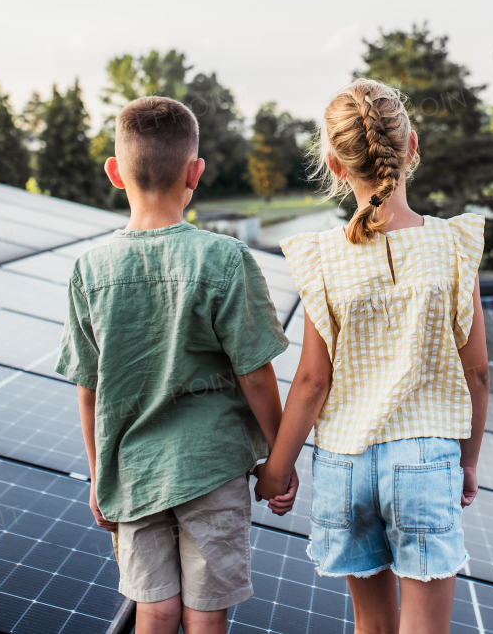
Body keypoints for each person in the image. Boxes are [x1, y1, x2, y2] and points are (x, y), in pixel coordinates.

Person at [254, 79, 490, 634]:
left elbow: (312, 381)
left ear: (334, 164)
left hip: (343, 464)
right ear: (411, 147)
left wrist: (277, 469)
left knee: (373, 628)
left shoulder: (322, 257)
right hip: (426, 457)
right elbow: (476, 372)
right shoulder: (453, 245)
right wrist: (470, 458)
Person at [58, 96, 297, 634]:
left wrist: (100, 477)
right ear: (196, 173)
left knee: (155, 608)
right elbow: (255, 374)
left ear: (115, 173)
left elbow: (88, 387)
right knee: (205, 612)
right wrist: (278, 460)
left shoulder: (88, 268)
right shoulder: (225, 259)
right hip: (212, 467)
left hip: (133, 473)